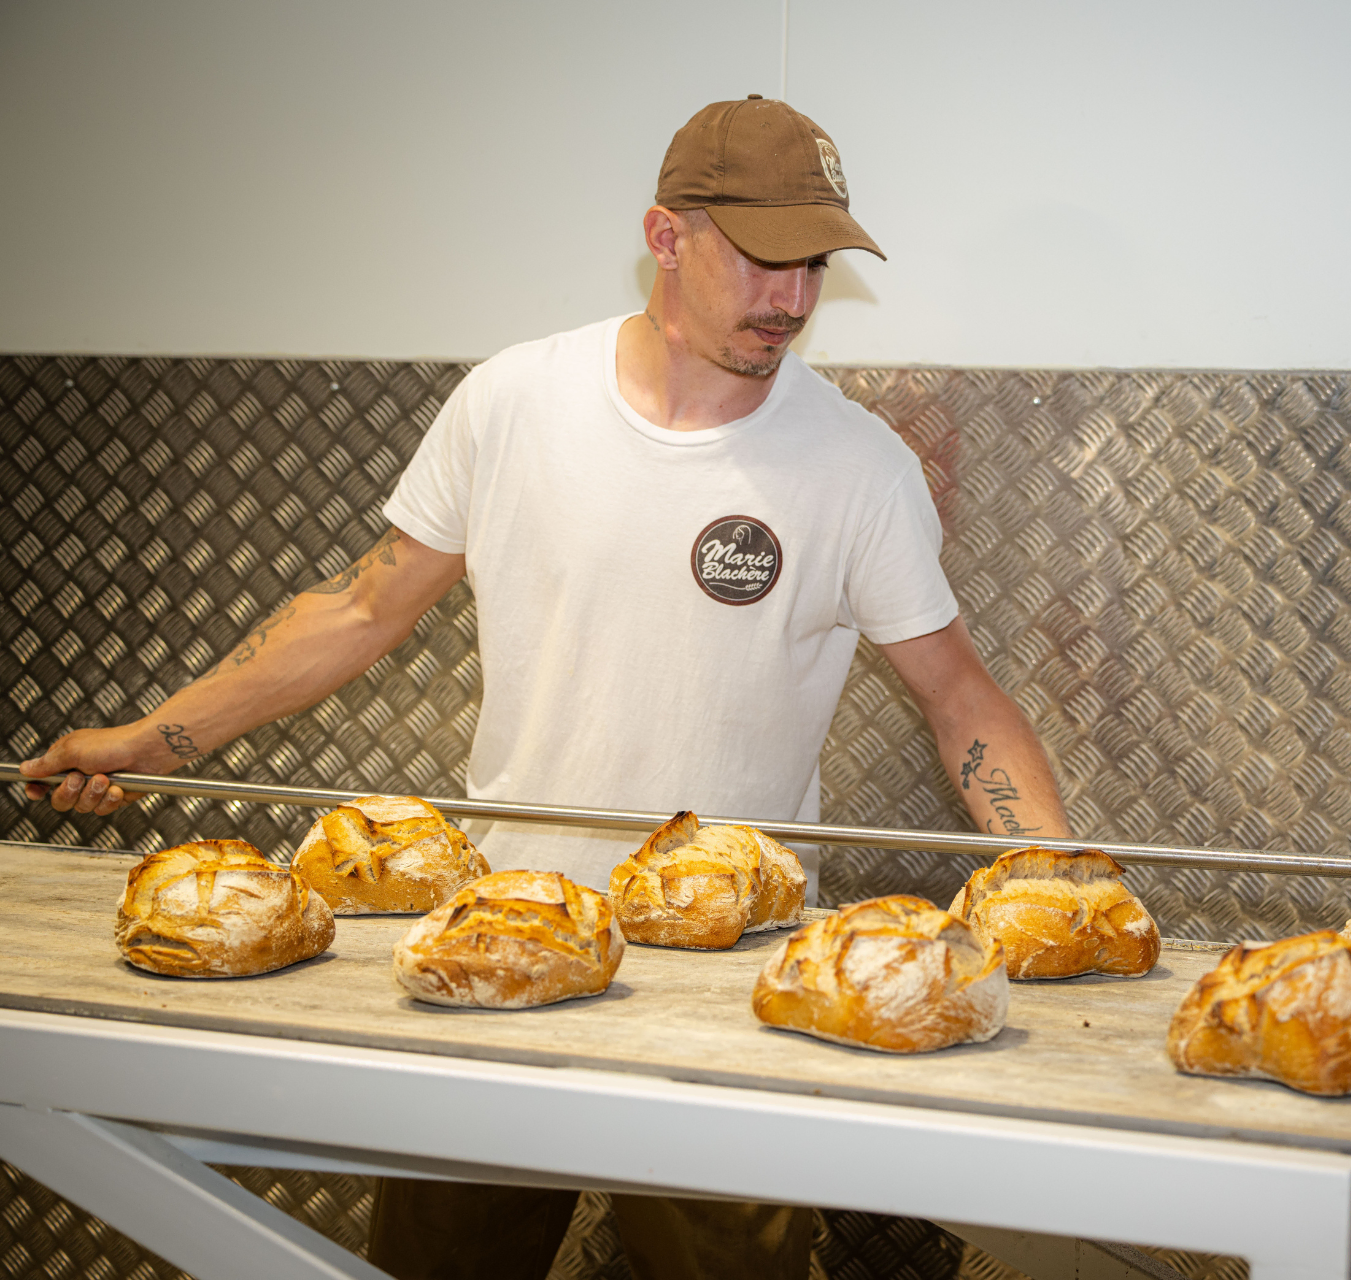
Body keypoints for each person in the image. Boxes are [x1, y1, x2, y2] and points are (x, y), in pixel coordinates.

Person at [21, 96, 1071, 1280]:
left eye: (814, 264)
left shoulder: (858, 466)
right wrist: (153, 739)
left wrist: (1060, 879)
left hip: (724, 976)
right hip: (500, 938)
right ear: (665, 238)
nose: (790, 299)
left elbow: (962, 697)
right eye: (762, 258)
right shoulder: (514, 401)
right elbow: (364, 607)